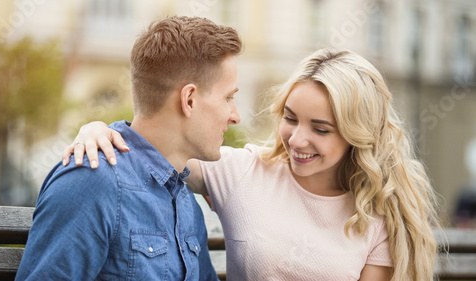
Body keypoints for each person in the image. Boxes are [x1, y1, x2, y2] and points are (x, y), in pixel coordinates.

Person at [65, 49, 441, 281]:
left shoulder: (380, 215)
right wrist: (99, 128)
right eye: (291, 118)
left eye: (321, 129)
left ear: (358, 136)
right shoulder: (243, 171)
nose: (296, 139)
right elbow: (156, 146)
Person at [16, 16, 243, 280]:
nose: (235, 115)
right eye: (228, 97)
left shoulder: (184, 199)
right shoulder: (91, 181)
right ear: (189, 100)